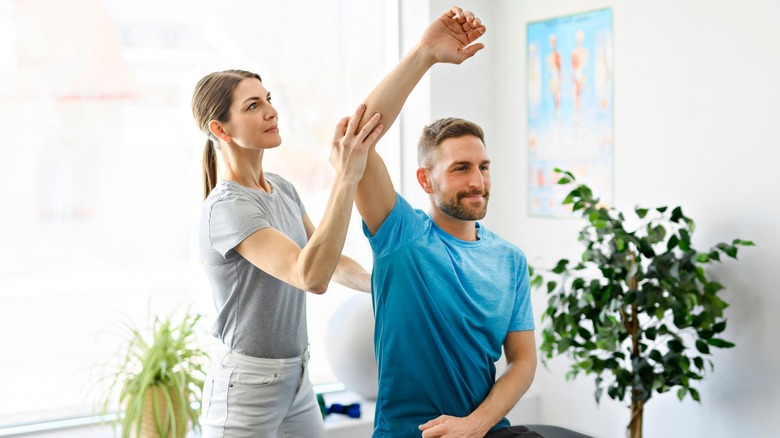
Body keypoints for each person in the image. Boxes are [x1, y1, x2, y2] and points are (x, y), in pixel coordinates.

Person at [348, 6, 541, 438]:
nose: (478, 182)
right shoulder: (401, 237)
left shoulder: (509, 259)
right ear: (425, 179)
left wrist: (475, 425)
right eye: (460, 169)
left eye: (483, 166)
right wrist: (424, 55)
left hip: (486, 431)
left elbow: (523, 361)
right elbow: (357, 137)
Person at [191, 69, 382, 437]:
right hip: (246, 389)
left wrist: (381, 285)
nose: (270, 111)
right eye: (253, 105)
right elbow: (310, 275)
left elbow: (329, 260)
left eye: (268, 100)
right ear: (221, 130)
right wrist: (346, 177)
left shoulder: (281, 189)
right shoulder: (228, 207)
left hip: (296, 377)